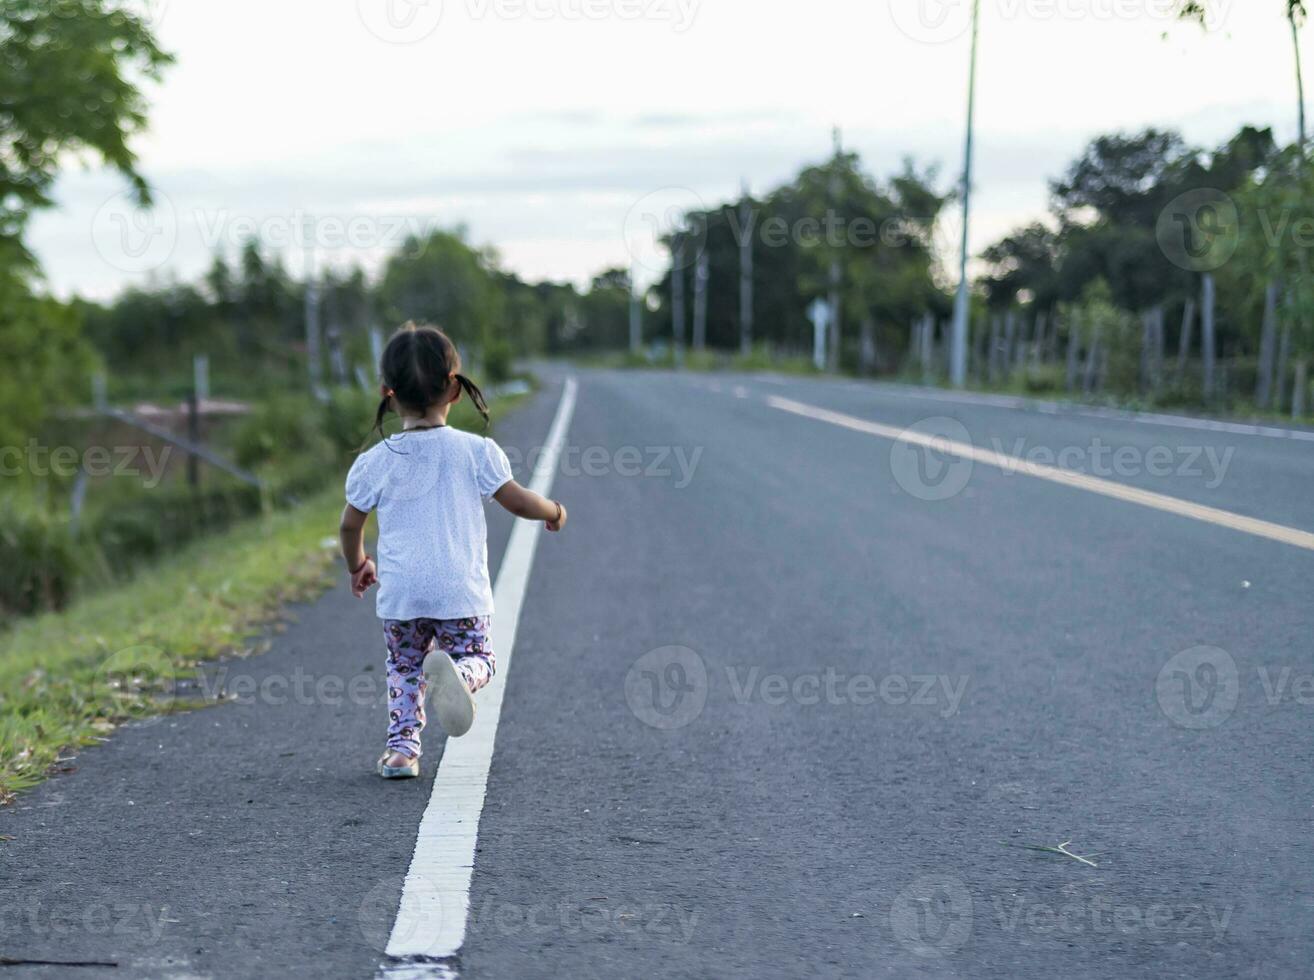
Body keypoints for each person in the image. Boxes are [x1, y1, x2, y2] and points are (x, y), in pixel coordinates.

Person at [338, 322, 567, 779]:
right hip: (459, 592)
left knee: (404, 666)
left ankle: (402, 752)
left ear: (387, 393)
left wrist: (359, 564)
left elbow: (349, 525)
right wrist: (554, 510)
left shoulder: (374, 462)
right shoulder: (475, 451)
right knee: (480, 657)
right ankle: (462, 678)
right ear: (454, 390)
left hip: (403, 596)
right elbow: (518, 500)